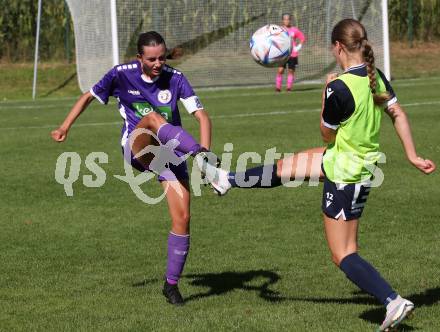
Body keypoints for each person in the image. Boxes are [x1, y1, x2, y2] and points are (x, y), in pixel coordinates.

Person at [201, 19, 435, 331]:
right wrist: (412, 155)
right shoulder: (373, 75)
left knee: (343, 255)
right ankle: (225, 179)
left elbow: (326, 134)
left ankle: (392, 300)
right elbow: (398, 113)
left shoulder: (338, 88)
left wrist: (325, 95)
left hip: (346, 174)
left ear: (338, 47)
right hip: (349, 161)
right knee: (286, 168)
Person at [51, 31, 214, 306]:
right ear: (139, 57)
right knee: (151, 118)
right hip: (137, 147)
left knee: (183, 217)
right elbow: (88, 96)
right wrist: (64, 126)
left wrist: (207, 153)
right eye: (151, 59)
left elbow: (202, 117)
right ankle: (198, 154)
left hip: (169, 154)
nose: (158, 63)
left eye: (162, 57)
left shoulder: (176, 78)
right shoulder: (121, 74)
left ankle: (171, 285)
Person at [275, 13, 306, 92]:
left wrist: (298, 47)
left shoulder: (294, 30)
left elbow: (302, 38)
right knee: (280, 70)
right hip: (282, 54)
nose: (286, 21)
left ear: (290, 20)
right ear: (282, 20)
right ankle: (278, 88)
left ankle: (289, 88)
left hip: (292, 54)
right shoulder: (279, 30)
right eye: (285, 19)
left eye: (288, 19)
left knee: (291, 71)